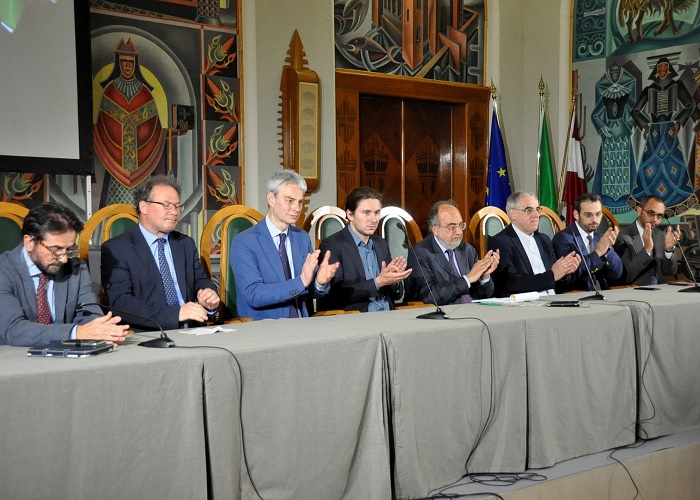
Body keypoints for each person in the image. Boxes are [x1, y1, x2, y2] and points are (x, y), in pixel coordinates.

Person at [0, 203, 129, 347]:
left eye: (69, 250)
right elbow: (13, 330)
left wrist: (100, 330)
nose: (64, 259)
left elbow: (89, 313)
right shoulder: (3, 271)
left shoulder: (75, 269)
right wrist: (76, 332)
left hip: (67, 354)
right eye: (56, 249)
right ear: (29, 242)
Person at [101, 175, 220, 330]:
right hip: (148, 334)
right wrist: (175, 314)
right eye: (166, 205)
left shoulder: (185, 243)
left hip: (193, 329)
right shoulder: (117, 249)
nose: (174, 212)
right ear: (144, 206)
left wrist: (208, 294)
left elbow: (200, 280)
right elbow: (121, 303)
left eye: (177, 206)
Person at [232, 170, 338, 320]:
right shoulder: (244, 241)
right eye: (290, 201)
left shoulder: (302, 238)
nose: (297, 208)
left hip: (302, 325)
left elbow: (308, 290)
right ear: (271, 199)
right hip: (264, 327)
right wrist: (300, 282)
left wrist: (320, 282)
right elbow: (253, 294)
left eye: (300, 202)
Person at [317, 187, 411, 312]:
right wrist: (378, 282)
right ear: (350, 215)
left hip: (388, 314)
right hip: (356, 317)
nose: (374, 219)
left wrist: (393, 282)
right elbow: (336, 295)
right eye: (366, 213)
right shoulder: (333, 245)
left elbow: (396, 296)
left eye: (377, 213)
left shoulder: (381, 244)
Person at [488, 191, 581, 297]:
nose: (536, 215)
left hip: (554, 300)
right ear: (513, 214)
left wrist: (565, 272)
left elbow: (558, 282)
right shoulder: (500, 242)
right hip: (526, 303)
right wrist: (552, 275)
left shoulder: (544, 240)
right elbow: (511, 283)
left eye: (537, 209)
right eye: (529, 210)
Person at [407, 200, 498, 305]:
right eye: (452, 227)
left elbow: (483, 295)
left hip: (474, 310)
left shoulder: (467, 250)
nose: (459, 232)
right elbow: (429, 296)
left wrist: (484, 277)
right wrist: (467, 279)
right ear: (435, 230)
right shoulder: (420, 253)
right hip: (444, 312)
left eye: (461, 225)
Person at [552, 193, 623, 291]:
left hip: (604, 294)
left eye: (598, 214)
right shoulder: (563, 238)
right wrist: (597, 253)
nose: (594, 220)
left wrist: (608, 250)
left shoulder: (600, 238)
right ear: (576, 215)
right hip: (576, 295)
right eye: (588, 215)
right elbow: (568, 276)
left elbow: (617, 274)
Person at [613, 195, 681, 285]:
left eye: (659, 216)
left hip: (660, 289)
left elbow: (669, 272)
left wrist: (668, 250)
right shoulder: (623, 237)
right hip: (635, 290)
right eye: (651, 213)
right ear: (639, 211)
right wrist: (646, 250)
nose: (655, 219)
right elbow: (626, 275)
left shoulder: (659, 234)